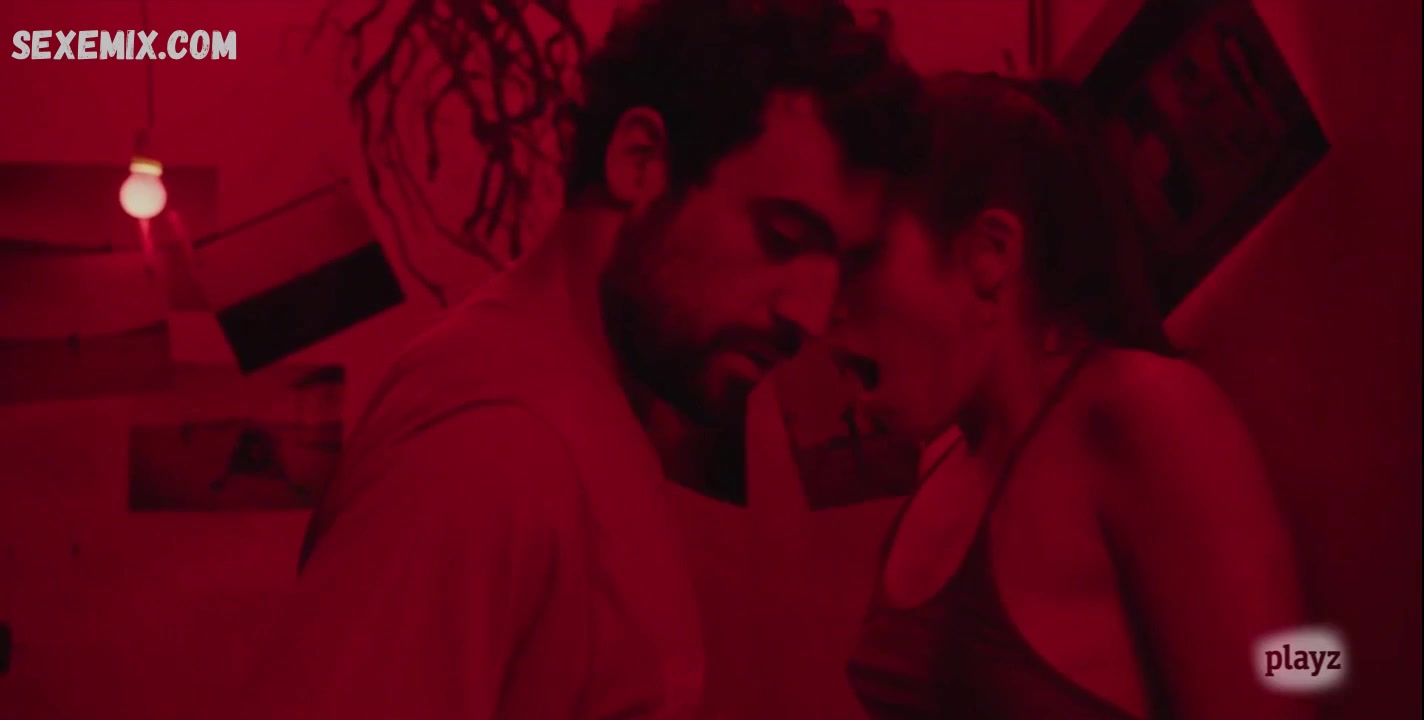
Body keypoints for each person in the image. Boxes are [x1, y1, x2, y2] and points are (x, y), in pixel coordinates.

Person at [223, 2, 922, 719]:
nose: (810, 314)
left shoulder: (586, 401)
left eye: (841, 265)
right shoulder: (494, 446)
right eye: (783, 236)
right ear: (641, 162)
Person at [830, 73, 1313, 720]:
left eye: (859, 259)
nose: (824, 304)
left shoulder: (1144, 411)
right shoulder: (940, 462)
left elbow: (1288, 668)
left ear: (989, 254)